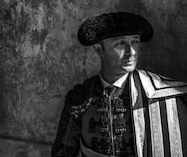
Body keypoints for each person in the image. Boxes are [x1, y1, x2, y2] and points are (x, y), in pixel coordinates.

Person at [52, 12, 187, 157]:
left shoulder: (167, 94)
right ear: (99, 49)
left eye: (135, 41)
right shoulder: (80, 97)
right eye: (121, 43)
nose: (131, 52)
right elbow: (63, 152)